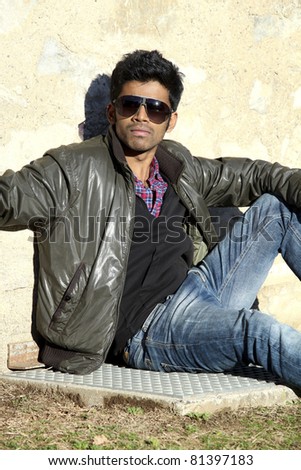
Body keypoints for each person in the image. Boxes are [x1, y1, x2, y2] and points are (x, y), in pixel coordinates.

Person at [1, 50, 301, 390]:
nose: (142, 116)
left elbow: (254, 175)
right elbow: (9, 198)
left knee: (275, 208)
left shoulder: (177, 165)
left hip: (199, 291)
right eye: (131, 105)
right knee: (261, 331)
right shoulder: (73, 169)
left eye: (155, 109)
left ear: (170, 120)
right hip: (150, 329)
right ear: (112, 112)